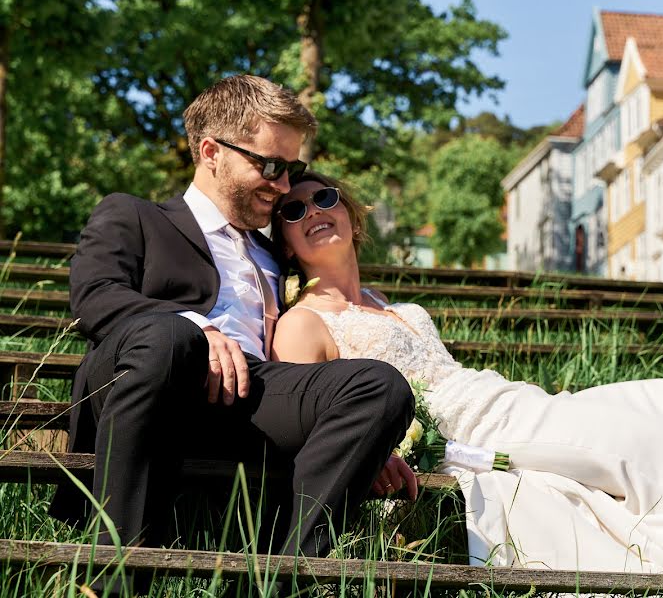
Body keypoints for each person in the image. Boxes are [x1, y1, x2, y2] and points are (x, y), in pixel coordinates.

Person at [270, 171, 663, 582]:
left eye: (324, 198)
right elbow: (313, 418)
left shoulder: (395, 306)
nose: (312, 212)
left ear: (349, 211)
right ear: (286, 241)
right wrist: (382, 450)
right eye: (294, 211)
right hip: (472, 433)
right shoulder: (303, 324)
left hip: (513, 401)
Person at [52, 76, 415, 582]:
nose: (284, 184)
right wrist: (195, 327)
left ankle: (288, 578)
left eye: (292, 169)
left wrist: (368, 442)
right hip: (153, 383)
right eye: (269, 166)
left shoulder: (273, 252)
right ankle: (112, 577)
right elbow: (95, 297)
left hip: (252, 394)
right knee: (169, 338)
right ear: (210, 151)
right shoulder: (134, 216)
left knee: (379, 386)